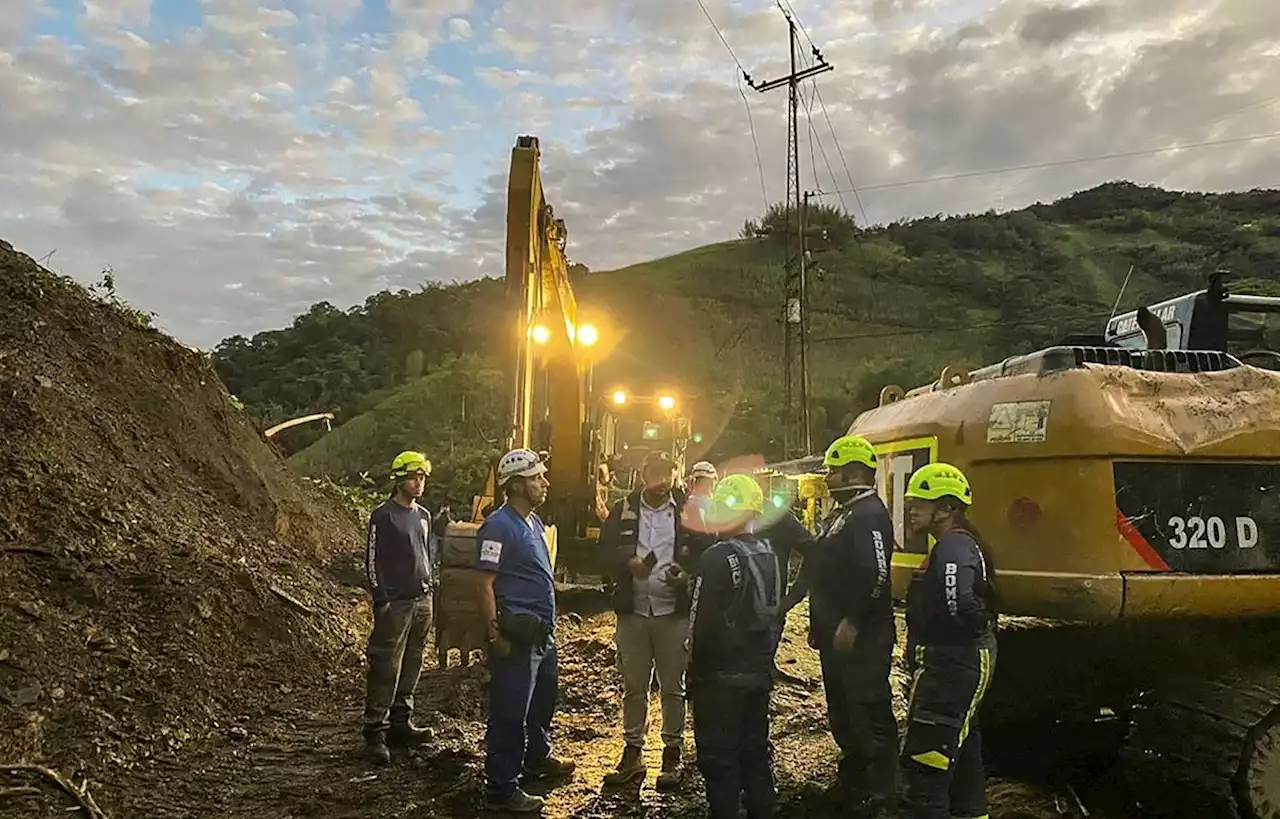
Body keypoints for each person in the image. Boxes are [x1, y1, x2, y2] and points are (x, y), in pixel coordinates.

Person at [800, 435, 899, 815]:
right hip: (833, 634)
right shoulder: (839, 515)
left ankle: (882, 791)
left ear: (856, 472)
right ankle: (854, 779)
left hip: (863, 638)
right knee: (841, 710)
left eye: (834, 471)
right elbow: (822, 570)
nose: (828, 477)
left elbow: (876, 575)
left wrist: (853, 622)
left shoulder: (869, 515)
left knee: (868, 708)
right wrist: (816, 622)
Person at [474, 448, 576, 813]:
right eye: (536, 478)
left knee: (542, 700)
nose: (544, 483)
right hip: (516, 636)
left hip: (541, 635)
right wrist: (493, 636)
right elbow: (484, 585)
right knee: (510, 710)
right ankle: (501, 786)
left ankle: (537, 757)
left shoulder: (532, 523)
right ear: (516, 485)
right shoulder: (498, 526)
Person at [900, 463, 998, 819]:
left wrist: (965, 632)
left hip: (952, 662)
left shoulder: (954, 546)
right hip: (958, 658)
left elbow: (959, 601)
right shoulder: (955, 544)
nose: (911, 509)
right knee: (963, 752)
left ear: (947, 509)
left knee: (927, 762)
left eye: (920, 503)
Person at [686, 473, 784, 819]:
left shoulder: (716, 557)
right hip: (757, 673)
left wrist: (692, 675)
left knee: (719, 758)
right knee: (755, 752)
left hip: (720, 678)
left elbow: (699, 622)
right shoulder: (769, 553)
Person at [600, 450, 694, 790]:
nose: (663, 481)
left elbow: (705, 549)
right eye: (656, 474)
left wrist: (687, 574)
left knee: (673, 687)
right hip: (635, 611)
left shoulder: (688, 509)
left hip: (673, 612)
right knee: (634, 687)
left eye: (668, 474)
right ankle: (633, 752)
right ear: (644, 476)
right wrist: (628, 564)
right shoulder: (623, 509)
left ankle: (672, 753)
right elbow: (604, 549)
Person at [360, 450, 438, 765]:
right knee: (385, 665)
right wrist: (381, 598)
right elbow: (371, 559)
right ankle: (374, 732)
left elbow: (427, 553)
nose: (418, 483)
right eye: (413, 477)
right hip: (396, 602)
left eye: (422, 477)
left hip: (423, 599)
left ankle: (401, 722)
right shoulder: (384, 515)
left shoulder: (424, 515)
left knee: (413, 662)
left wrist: (432, 585)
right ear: (399, 479)